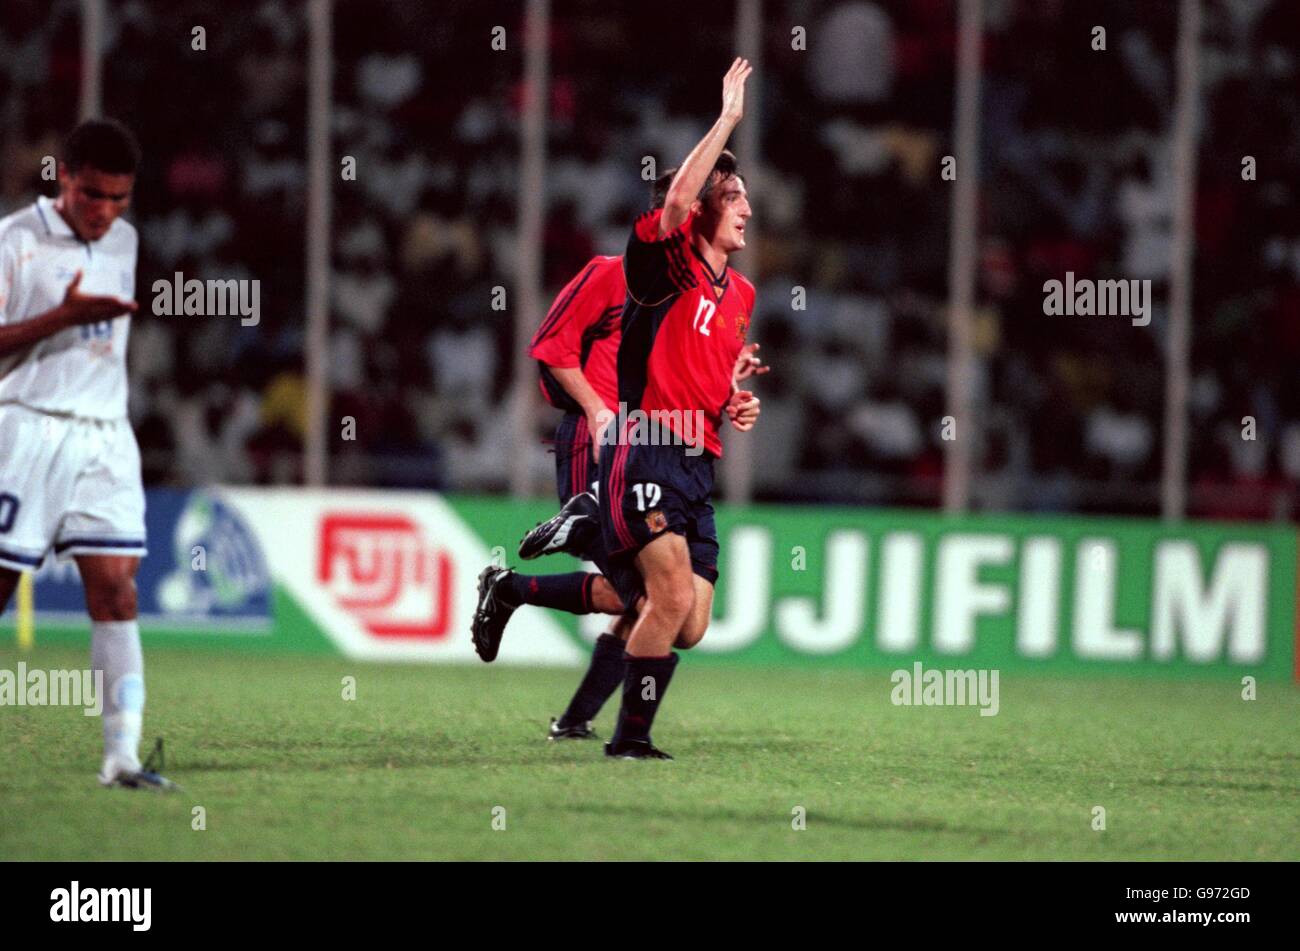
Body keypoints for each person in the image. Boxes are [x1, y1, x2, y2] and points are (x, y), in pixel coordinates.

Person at [0, 118, 175, 790]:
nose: (104, 212)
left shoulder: (123, 241)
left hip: (104, 435)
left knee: (117, 590)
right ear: (62, 178)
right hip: (26, 430)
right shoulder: (16, 240)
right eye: (92, 195)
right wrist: (60, 319)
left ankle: (122, 756)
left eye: (119, 199)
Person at [597, 58, 760, 759]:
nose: (749, 209)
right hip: (648, 444)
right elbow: (671, 207)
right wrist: (726, 120)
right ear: (705, 212)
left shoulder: (742, 295)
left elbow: (705, 374)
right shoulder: (667, 263)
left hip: (700, 462)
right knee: (667, 599)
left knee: (690, 622)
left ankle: (572, 577)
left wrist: (733, 398)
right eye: (736, 198)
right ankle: (630, 740)